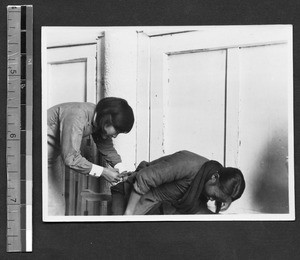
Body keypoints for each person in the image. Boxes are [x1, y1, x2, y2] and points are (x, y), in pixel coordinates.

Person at [47, 97, 134, 215]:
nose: (115, 136)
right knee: (49, 208)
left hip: (51, 159)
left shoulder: (99, 117)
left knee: (56, 207)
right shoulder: (77, 115)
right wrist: (104, 172)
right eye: (117, 131)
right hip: (36, 156)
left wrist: (122, 170)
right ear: (107, 120)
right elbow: (71, 159)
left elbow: (107, 147)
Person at [111, 150, 245, 215]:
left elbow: (196, 209)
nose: (211, 199)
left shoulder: (207, 179)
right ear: (214, 177)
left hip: (160, 207)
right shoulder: (188, 164)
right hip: (131, 195)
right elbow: (144, 178)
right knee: (122, 240)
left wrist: (223, 209)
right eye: (214, 196)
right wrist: (128, 216)